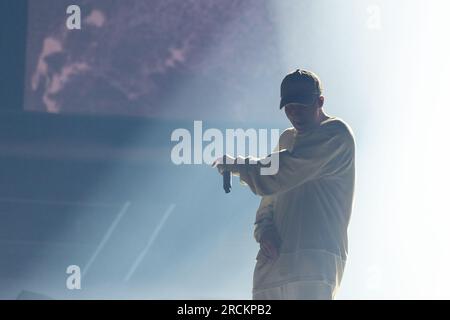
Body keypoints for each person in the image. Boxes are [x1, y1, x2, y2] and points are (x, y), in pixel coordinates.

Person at [213, 69, 356, 300]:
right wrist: (265, 231)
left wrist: (237, 165)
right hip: (274, 266)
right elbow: (269, 199)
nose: (295, 113)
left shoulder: (336, 134)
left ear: (320, 101)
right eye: (289, 107)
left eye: (301, 106)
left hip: (313, 264)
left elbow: (278, 174)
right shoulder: (287, 139)